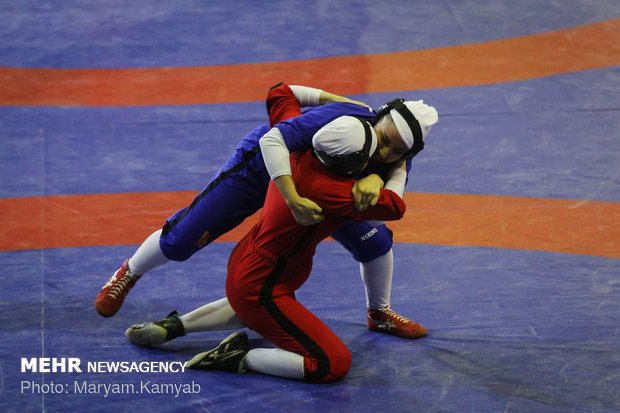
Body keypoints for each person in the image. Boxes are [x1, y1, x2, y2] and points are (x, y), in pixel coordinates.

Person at [95, 82, 438, 338]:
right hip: (262, 166)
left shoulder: (399, 161)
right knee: (184, 238)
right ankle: (130, 270)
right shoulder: (340, 117)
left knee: (375, 243)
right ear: (377, 117)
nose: (384, 150)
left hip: (321, 188)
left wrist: (381, 179)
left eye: (397, 151)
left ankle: (379, 312)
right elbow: (275, 131)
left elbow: (385, 208)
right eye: (385, 138)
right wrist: (290, 197)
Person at [126, 113, 424, 383]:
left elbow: (282, 99)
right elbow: (394, 206)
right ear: (352, 164)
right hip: (264, 283)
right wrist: (396, 165)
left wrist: (328, 106)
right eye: (370, 155)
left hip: (254, 264)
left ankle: (177, 326)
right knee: (331, 364)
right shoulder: (335, 193)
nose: (378, 157)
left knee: (259, 308)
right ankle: (239, 356)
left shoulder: (295, 155)